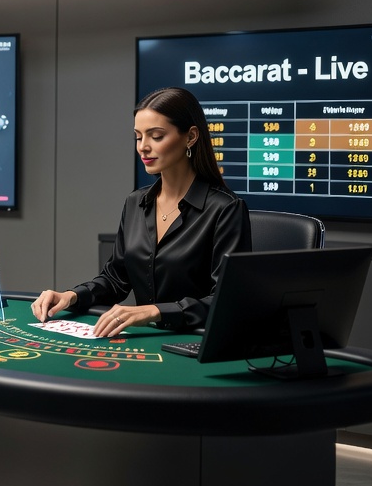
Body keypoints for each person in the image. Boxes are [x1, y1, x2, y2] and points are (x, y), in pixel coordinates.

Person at [32, 86, 250, 337]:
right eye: (138, 137)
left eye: (156, 136)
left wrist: (155, 311)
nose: (143, 147)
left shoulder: (226, 209)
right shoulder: (136, 202)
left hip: (196, 343)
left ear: (190, 137)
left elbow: (227, 301)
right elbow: (116, 279)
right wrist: (71, 296)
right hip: (147, 341)